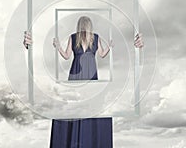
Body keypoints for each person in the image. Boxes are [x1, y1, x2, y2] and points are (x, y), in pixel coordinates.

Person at [23, 16, 144, 148]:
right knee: (88, 103)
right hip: (90, 71)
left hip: (77, 71)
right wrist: (109, 47)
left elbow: (66, 55)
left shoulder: (75, 37)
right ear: (89, 25)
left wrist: (58, 47)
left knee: (75, 104)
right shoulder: (94, 37)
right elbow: (103, 54)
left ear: (79, 25)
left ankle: (75, 137)